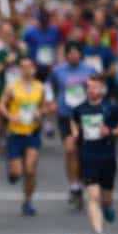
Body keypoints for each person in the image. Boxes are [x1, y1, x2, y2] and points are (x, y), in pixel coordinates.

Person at [71, 75, 118, 234]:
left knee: (106, 199)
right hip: (88, 157)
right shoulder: (80, 109)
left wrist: (110, 132)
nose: (91, 90)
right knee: (93, 196)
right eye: (89, 87)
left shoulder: (111, 108)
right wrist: (75, 134)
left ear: (102, 89)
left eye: (95, 87)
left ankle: (108, 206)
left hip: (107, 157)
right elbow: (74, 124)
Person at [0, 57, 51, 216]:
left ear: (34, 69)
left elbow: (45, 107)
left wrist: (40, 113)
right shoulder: (12, 87)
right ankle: (13, 173)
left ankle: (28, 201)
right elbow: (1, 104)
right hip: (15, 133)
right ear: (19, 70)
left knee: (30, 170)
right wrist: (10, 116)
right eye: (23, 67)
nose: (26, 70)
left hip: (32, 132)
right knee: (17, 172)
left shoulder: (40, 87)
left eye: (29, 66)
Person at [48, 41, 98, 210]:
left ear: (80, 54)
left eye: (76, 53)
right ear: (66, 55)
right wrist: (53, 102)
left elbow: (98, 88)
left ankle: (82, 181)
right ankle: (73, 185)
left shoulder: (89, 70)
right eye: (70, 53)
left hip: (85, 115)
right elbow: (51, 88)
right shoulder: (58, 71)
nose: (73, 56)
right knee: (70, 150)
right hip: (66, 115)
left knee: (84, 152)